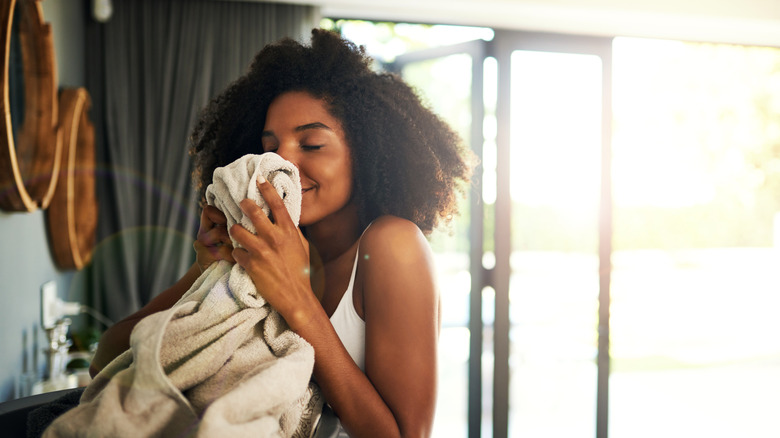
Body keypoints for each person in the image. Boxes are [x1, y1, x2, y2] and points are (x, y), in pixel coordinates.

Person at [89, 28, 473, 437]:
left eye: (311, 145)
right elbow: (108, 358)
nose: (281, 163)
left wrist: (298, 300)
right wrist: (204, 270)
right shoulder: (258, 252)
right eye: (268, 147)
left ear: (365, 155)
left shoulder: (392, 245)